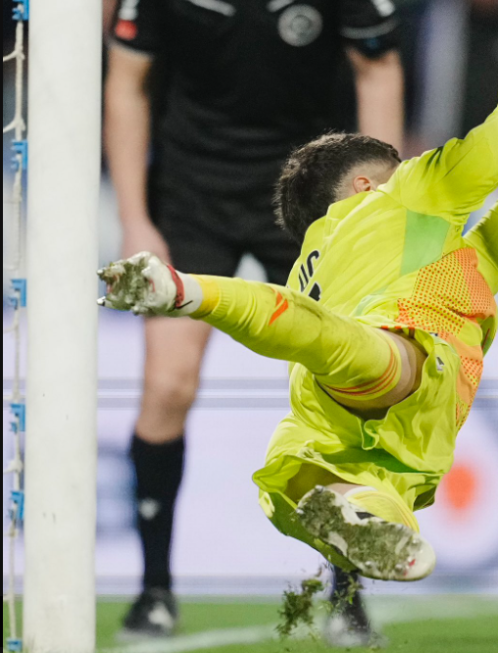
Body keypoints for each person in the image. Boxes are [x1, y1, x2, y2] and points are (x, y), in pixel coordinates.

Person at [100, 1, 498, 589]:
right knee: (326, 338)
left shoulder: (317, 261)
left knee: (335, 491)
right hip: (391, 362)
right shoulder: (405, 193)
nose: (411, 168)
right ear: (364, 184)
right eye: (397, 165)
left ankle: (351, 512)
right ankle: (185, 290)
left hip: (343, 421)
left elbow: (485, 261)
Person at [103, 0, 404, 643]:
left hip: (311, 194)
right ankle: (154, 592)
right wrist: (133, 218)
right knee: (167, 386)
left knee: (347, 392)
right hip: (192, 195)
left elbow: (378, 70)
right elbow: (126, 81)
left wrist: (380, 208)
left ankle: (348, 597)